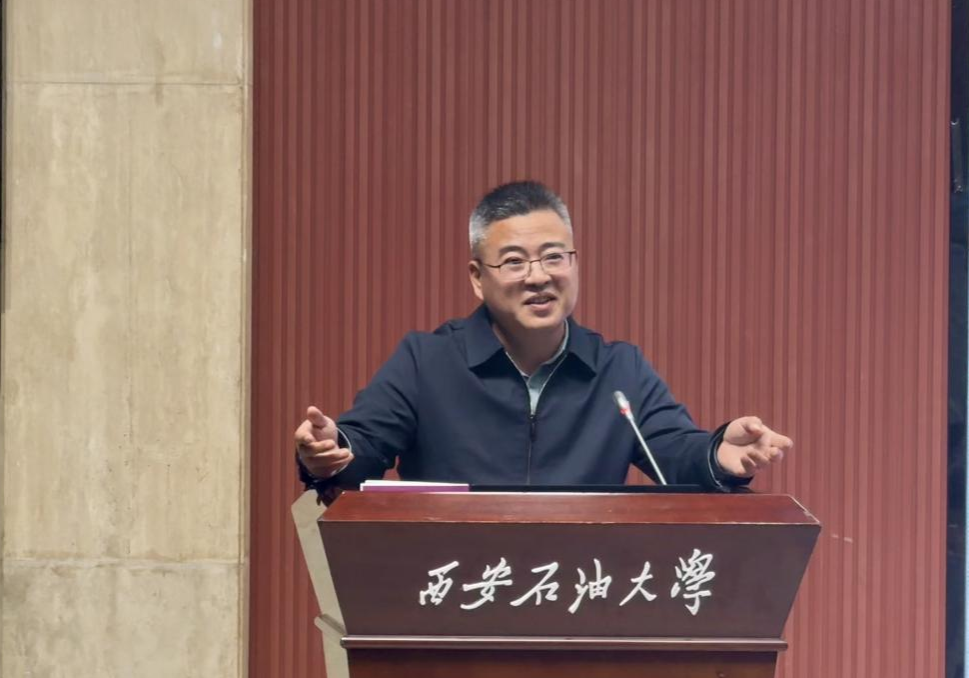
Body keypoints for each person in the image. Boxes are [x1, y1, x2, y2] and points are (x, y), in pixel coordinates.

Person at [294, 181, 791, 496]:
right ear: (477, 277)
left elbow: (673, 452)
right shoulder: (426, 362)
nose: (538, 277)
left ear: (574, 264)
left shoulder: (619, 369)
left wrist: (717, 455)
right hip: (454, 601)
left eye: (554, 257)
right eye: (514, 262)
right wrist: (332, 450)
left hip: (580, 602)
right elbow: (364, 446)